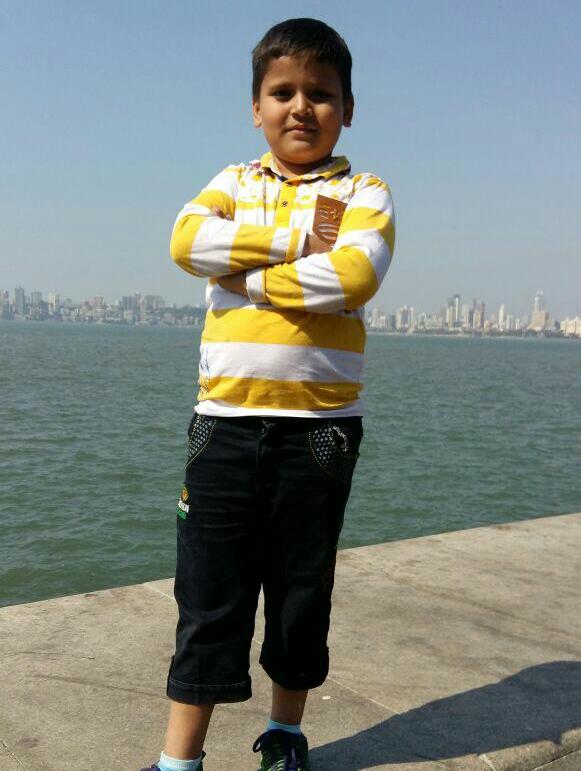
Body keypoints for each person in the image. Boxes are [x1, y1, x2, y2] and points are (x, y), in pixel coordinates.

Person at [140, 17, 395, 771]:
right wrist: (296, 245)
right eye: (282, 92)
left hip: (320, 431)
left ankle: (285, 734)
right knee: (207, 594)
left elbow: (354, 275)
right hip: (223, 423)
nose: (301, 107)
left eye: (321, 93)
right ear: (256, 107)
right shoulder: (232, 182)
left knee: (299, 592)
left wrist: (244, 278)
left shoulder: (363, 191)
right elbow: (187, 242)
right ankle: (179, 760)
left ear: (348, 108)